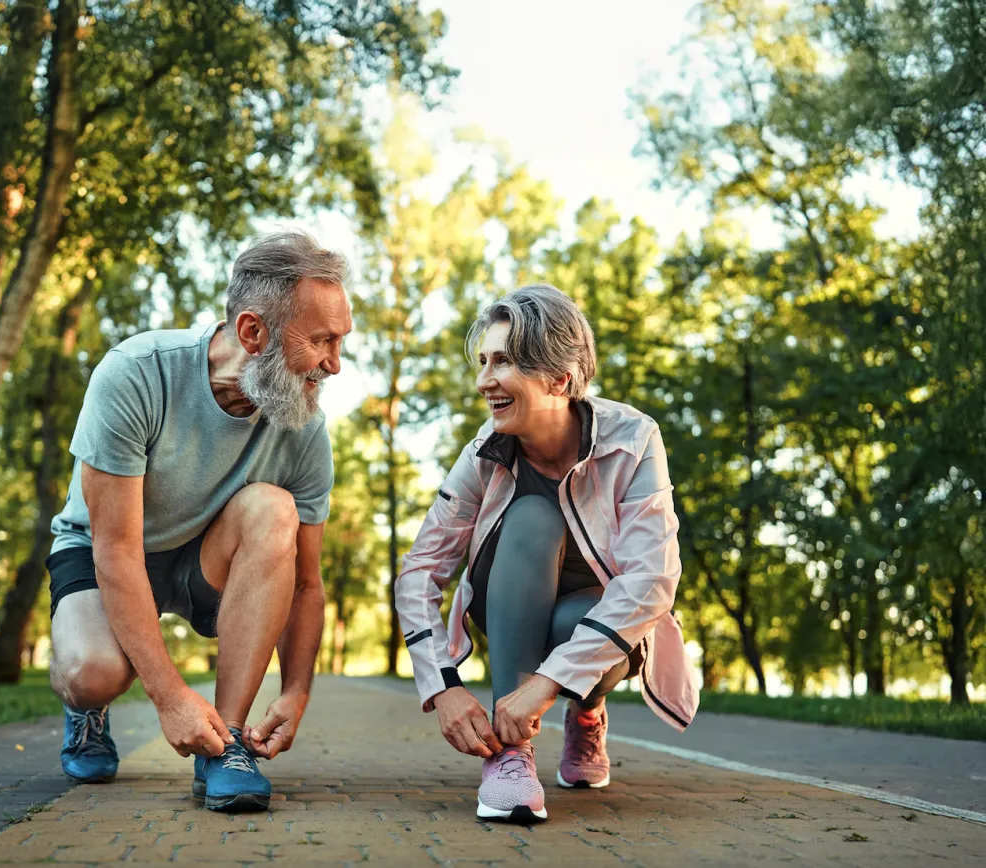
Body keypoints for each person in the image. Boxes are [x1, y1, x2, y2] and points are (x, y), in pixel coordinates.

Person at [45, 230, 352, 813]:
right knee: (93, 673)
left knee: (273, 508)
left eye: (341, 341)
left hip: (203, 557)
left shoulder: (306, 430)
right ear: (252, 332)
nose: (334, 364)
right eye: (321, 341)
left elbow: (308, 583)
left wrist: (296, 690)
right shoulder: (135, 374)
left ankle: (226, 742)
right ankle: (87, 711)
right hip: (102, 548)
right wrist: (169, 698)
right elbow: (115, 550)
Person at [395, 284, 698, 823]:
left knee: (577, 617)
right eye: (484, 362)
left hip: (593, 623)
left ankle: (587, 712)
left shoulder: (634, 440)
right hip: (508, 610)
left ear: (560, 378)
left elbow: (652, 579)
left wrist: (546, 686)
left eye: (504, 362)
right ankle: (510, 756)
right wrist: (442, 687)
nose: (485, 380)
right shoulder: (482, 455)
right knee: (533, 515)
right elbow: (419, 572)